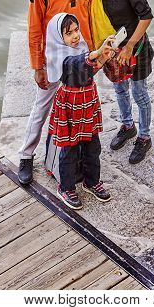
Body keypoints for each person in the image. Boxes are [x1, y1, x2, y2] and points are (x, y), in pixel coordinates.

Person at [18, 0, 93, 185]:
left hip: (81, 59)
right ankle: (26, 156)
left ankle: (76, 156)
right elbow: (34, 31)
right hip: (53, 62)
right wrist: (38, 67)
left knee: (81, 107)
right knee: (41, 108)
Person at [81, 0, 154, 164]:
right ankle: (128, 126)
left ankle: (144, 136)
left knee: (139, 94)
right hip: (112, 51)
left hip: (135, 49)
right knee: (120, 90)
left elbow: (146, 16)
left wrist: (130, 46)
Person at [46, 13, 113, 209]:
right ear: (59, 37)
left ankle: (91, 181)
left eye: (76, 30)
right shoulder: (59, 54)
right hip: (70, 105)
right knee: (70, 148)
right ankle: (66, 187)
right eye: (69, 33)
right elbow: (73, 64)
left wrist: (101, 59)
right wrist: (96, 52)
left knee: (93, 145)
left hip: (88, 100)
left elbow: (87, 71)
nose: (75, 36)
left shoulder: (82, 48)